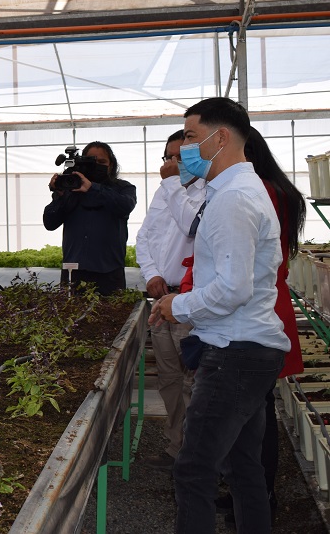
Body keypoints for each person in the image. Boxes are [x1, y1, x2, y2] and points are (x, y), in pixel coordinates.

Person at [150, 97, 289, 534]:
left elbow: (233, 289)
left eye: (191, 137)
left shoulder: (233, 199)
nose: (185, 149)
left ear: (221, 137)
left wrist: (177, 305)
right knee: (243, 467)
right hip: (248, 347)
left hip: (234, 351)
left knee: (194, 469)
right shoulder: (235, 192)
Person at [134, 129, 206, 471]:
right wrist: (151, 274)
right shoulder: (164, 192)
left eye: (180, 156)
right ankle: (176, 446)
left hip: (190, 300)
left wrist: (173, 182)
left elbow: (192, 227)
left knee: (194, 380)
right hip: (161, 299)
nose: (173, 163)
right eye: (168, 157)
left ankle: (198, 455)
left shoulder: (207, 191)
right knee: (169, 379)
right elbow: (144, 237)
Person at [43, 141, 137, 295]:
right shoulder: (72, 189)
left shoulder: (123, 188)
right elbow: (50, 223)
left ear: (111, 165)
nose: (96, 166)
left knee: (113, 310)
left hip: (109, 273)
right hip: (73, 273)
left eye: (102, 162)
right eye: (91, 161)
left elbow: (125, 205)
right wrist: (59, 195)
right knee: (70, 311)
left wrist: (92, 188)